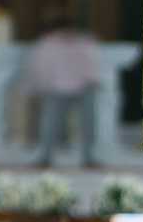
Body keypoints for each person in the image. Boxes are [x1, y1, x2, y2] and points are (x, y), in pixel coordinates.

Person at [27, 18, 102, 168]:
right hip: (57, 89)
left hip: (82, 88)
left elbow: (91, 62)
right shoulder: (48, 44)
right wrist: (43, 85)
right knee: (51, 125)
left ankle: (88, 157)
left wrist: (92, 79)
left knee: (88, 125)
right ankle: (46, 156)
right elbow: (41, 67)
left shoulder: (82, 43)